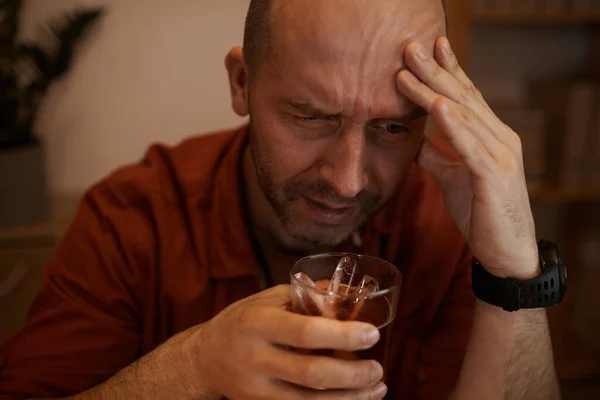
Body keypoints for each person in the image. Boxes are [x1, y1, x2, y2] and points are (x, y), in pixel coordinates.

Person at [0, 0, 561, 399]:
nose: (348, 181)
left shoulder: (444, 219)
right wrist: (195, 366)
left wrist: (512, 273)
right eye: (312, 117)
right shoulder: (131, 218)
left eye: (392, 129)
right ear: (242, 83)